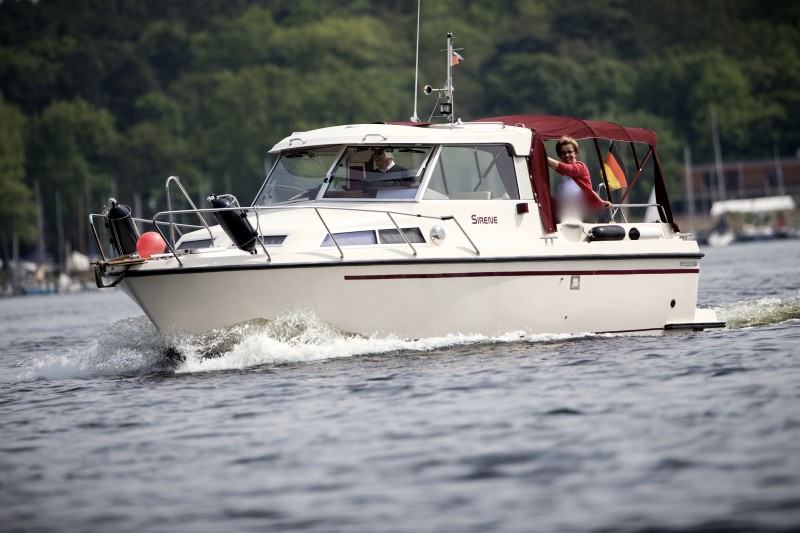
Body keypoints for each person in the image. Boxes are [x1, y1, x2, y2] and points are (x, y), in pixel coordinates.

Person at [547, 136, 612, 221]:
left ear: (576, 153)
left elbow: (565, 169)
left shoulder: (580, 167)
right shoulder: (565, 175)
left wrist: (544, 157)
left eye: (569, 152)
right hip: (568, 214)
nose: (566, 155)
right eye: (563, 153)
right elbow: (587, 189)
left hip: (584, 214)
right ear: (559, 155)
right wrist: (601, 201)